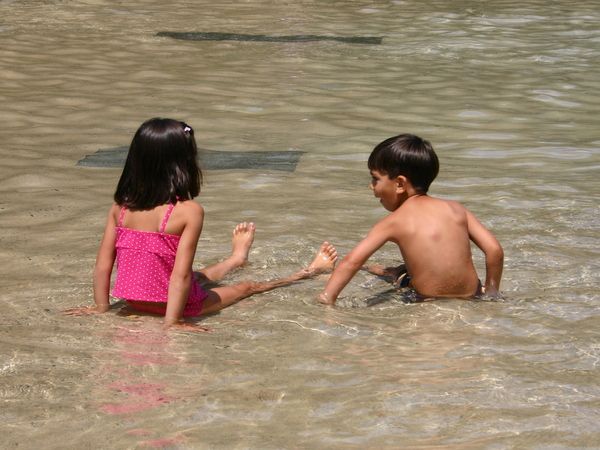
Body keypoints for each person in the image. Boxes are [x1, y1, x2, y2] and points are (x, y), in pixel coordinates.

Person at [65, 118, 337, 331]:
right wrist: (173, 322)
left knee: (200, 276)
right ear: (183, 163)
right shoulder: (189, 212)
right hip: (179, 307)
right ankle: (308, 272)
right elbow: (179, 276)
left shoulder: (121, 209)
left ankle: (236, 259)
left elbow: (103, 265)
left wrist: (101, 307)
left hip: (133, 302)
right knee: (247, 287)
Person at [318, 133, 503, 305]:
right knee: (400, 270)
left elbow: (352, 261)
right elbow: (494, 250)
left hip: (426, 300)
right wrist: (491, 292)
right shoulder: (456, 209)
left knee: (397, 275)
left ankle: (360, 270)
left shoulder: (394, 221)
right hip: (471, 295)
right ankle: (383, 270)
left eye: (375, 179)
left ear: (400, 184)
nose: (371, 186)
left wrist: (327, 298)